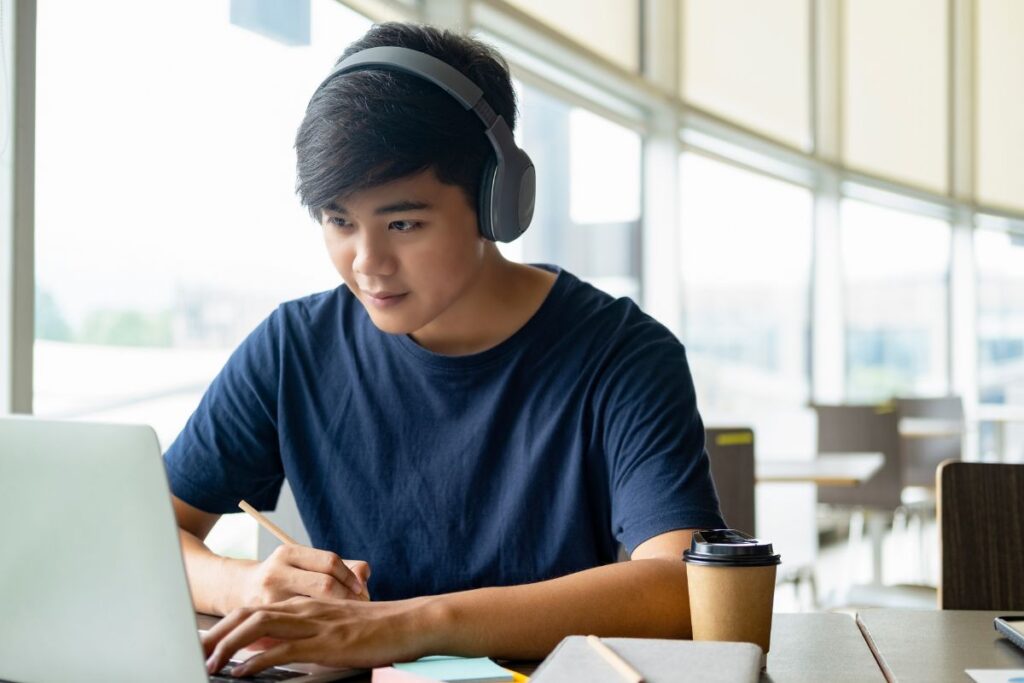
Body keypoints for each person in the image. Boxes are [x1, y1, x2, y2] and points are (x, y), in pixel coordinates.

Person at [168, 21, 725, 678]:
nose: (367, 262)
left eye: (403, 223)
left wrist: (402, 624)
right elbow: (147, 530)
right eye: (340, 221)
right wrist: (245, 586)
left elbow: (678, 584)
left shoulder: (623, 355)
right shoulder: (293, 347)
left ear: (498, 203)